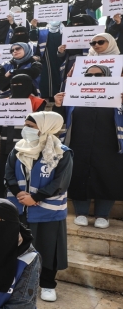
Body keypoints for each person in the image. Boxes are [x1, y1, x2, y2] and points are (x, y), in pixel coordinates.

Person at [4, 111, 72, 302]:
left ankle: (48, 284)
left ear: (46, 127)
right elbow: (9, 172)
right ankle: (19, 281)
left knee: (49, 249)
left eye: (31, 126)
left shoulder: (62, 153)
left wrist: (36, 197)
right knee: (19, 247)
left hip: (47, 211)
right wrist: (18, 192)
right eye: (25, 125)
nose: (26, 129)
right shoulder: (19, 148)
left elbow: (61, 181)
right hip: (20, 207)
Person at [53, 64, 123, 229]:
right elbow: (60, 122)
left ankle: (103, 215)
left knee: (107, 177)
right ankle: (81, 213)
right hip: (79, 143)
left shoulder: (117, 96)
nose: (93, 79)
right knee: (79, 176)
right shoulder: (73, 96)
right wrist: (58, 105)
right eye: (89, 75)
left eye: (98, 75)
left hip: (109, 146)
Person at [0, 75, 47, 198]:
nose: (15, 87)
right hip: (6, 144)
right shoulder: (4, 102)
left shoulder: (37, 102)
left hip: (28, 146)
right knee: (3, 173)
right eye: (13, 84)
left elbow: (40, 125)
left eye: (19, 85)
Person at [29, 20, 64, 98]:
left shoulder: (65, 30)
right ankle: (49, 96)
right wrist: (34, 27)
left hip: (62, 56)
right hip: (47, 58)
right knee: (48, 78)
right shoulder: (42, 30)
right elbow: (33, 38)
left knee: (62, 75)